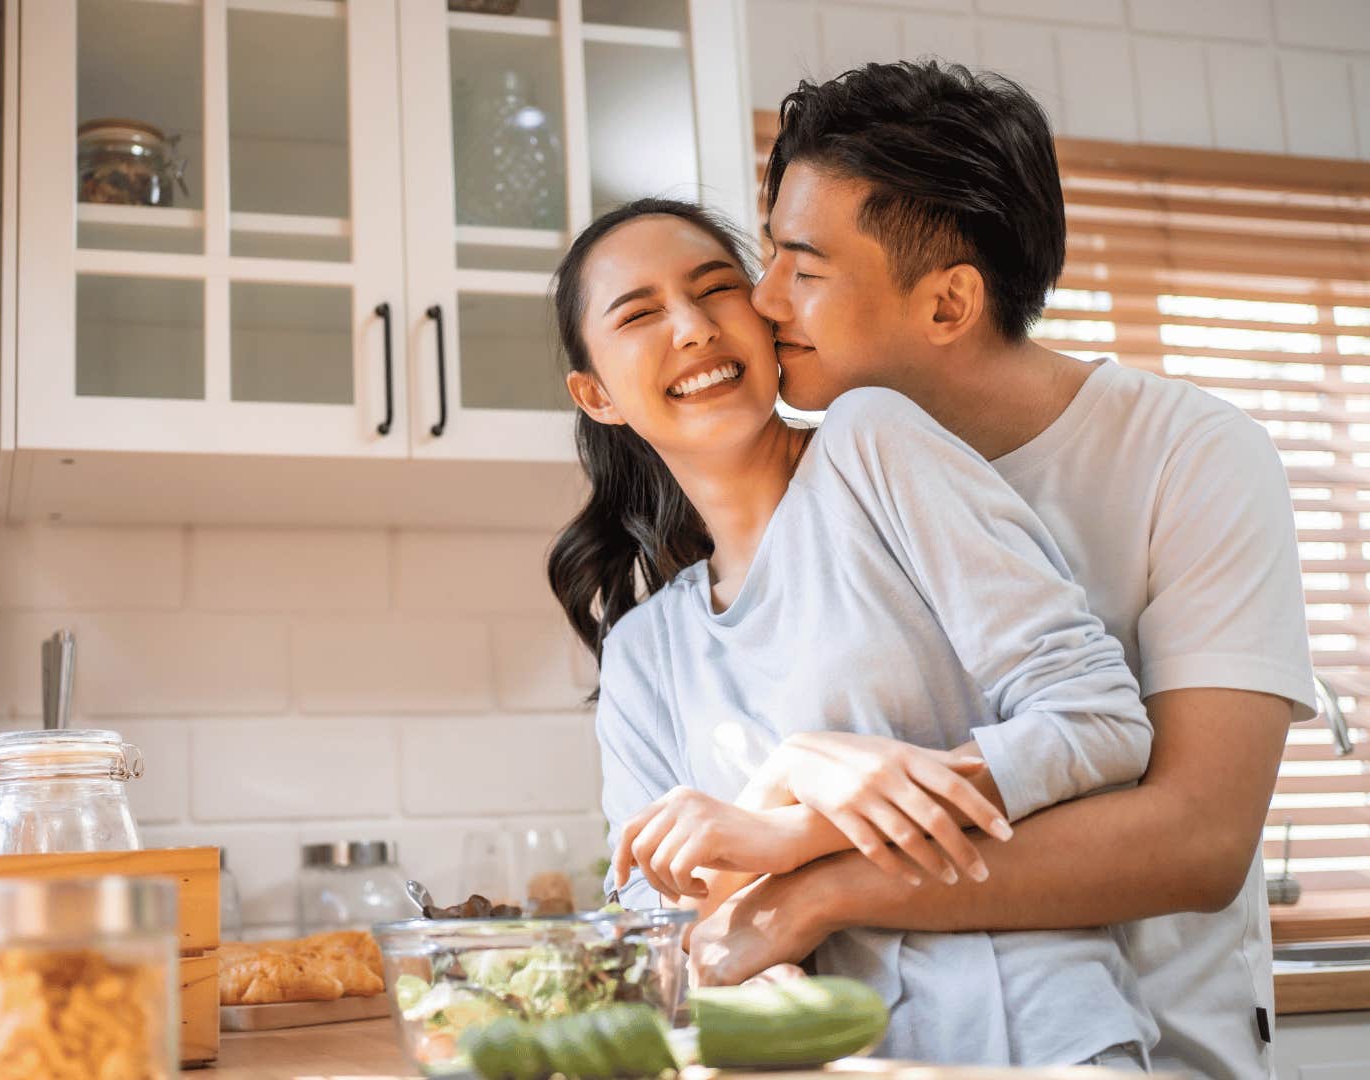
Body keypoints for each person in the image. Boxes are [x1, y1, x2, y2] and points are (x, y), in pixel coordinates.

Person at [682, 61, 1315, 1080]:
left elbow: (1198, 840)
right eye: (767, 256)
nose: (760, 302)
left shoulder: (1193, 456)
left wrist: (820, 883)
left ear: (949, 305)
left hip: (1152, 1049)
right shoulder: (819, 482)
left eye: (803, 269)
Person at [546, 196, 1156, 1070]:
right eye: (640, 313)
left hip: (1034, 1038)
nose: (691, 327)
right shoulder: (644, 655)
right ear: (596, 394)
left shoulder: (872, 446)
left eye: (717, 288)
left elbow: (1100, 724)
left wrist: (800, 832)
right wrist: (784, 784)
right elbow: (658, 951)